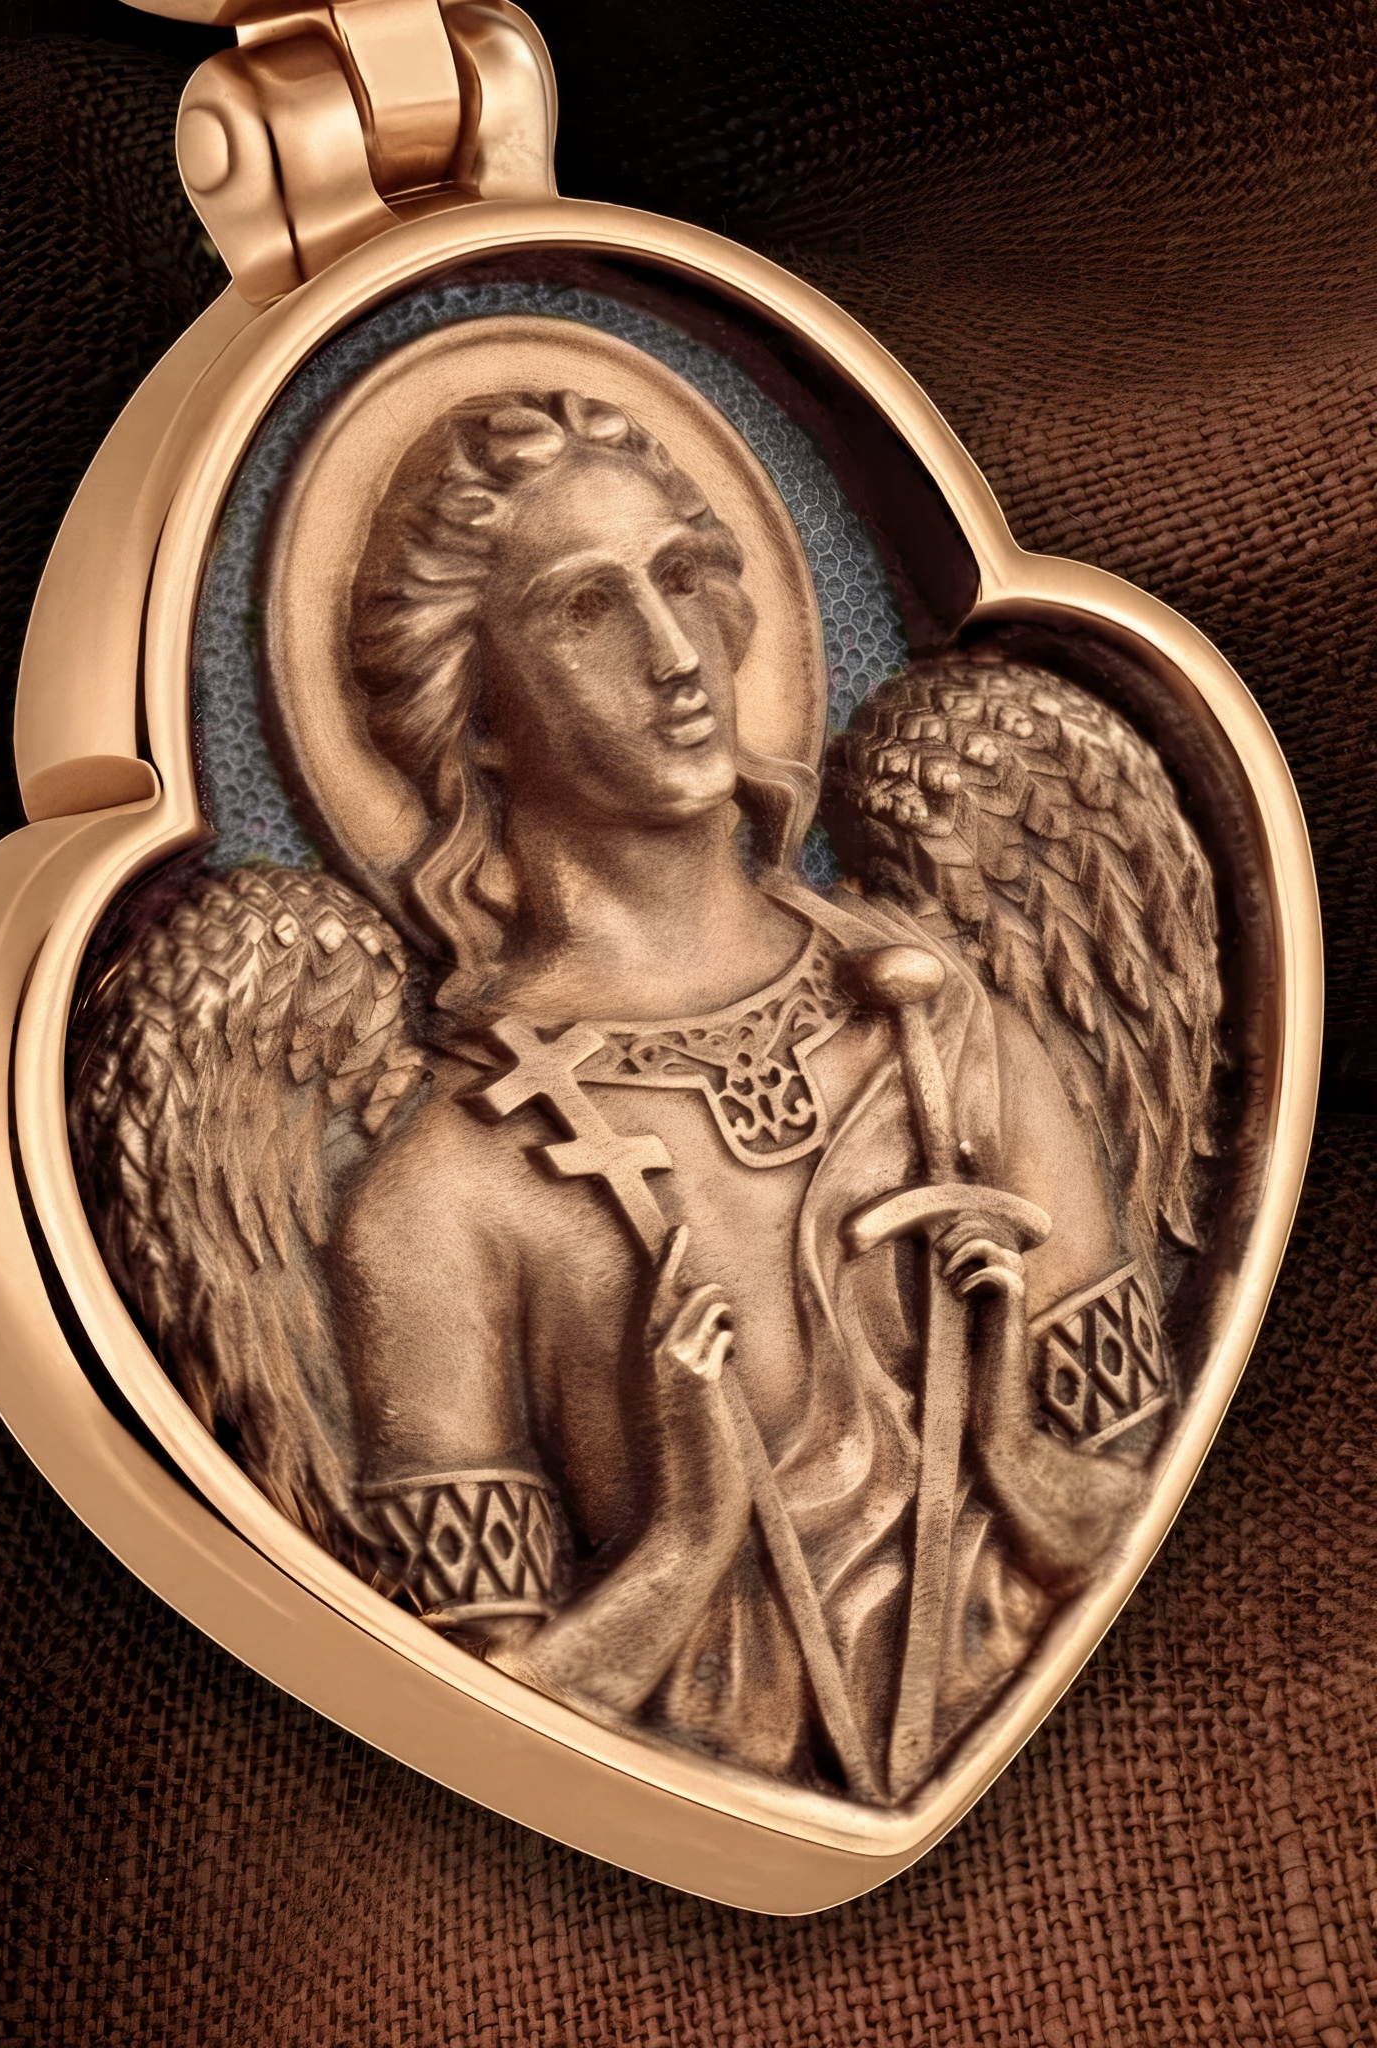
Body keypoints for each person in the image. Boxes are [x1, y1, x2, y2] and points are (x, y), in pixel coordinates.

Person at [332, 389, 1150, 1800]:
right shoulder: (443, 1200)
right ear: (478, 713)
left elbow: (1141, 1482)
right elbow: (486, 1720)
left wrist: (1016, 1452)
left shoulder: (945, 1023)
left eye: (683, 574)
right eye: (586, 608)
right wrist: (686, 1540)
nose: (674, 653)